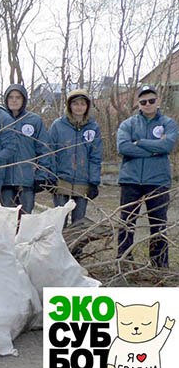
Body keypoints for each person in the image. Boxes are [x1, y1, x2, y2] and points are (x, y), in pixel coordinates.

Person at [116, 84, 177, 266]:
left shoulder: (168, 123)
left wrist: (139, 142)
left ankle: (159, 265)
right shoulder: (128, 124)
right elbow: (123, 147)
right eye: (143, 102)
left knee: (158, 225)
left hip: (158, 181)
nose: (148, 104)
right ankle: (124, 262)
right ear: (138, 104)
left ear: (158, 101)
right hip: (131, 180)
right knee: (126, 224)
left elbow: (167, 146)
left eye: (151, 100)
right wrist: (154, 150)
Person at [48, 88, 103, 232]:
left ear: (87, 106)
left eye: (82, 104)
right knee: (59, 221)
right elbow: (50, 152)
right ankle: (58, 245)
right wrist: (51, 176)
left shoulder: (93, 127)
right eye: (75, 103)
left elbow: (95, 156)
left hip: (83, 181)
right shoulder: (58, 125)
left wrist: (94, 181)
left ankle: (75, 246)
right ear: (69, 105)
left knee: (78, 223)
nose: (79, 107)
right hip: (61, 179)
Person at [1, 83, 54, 213]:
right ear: (6, 99)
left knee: (25, 218)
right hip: (4, 180)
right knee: (6, 218)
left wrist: (41, 175)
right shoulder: (0, 119)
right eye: (11, 97)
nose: (14, 100)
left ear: (24, 100)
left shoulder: (34, 120)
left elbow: (43, 150)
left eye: (18, 97)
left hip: (26, 180)